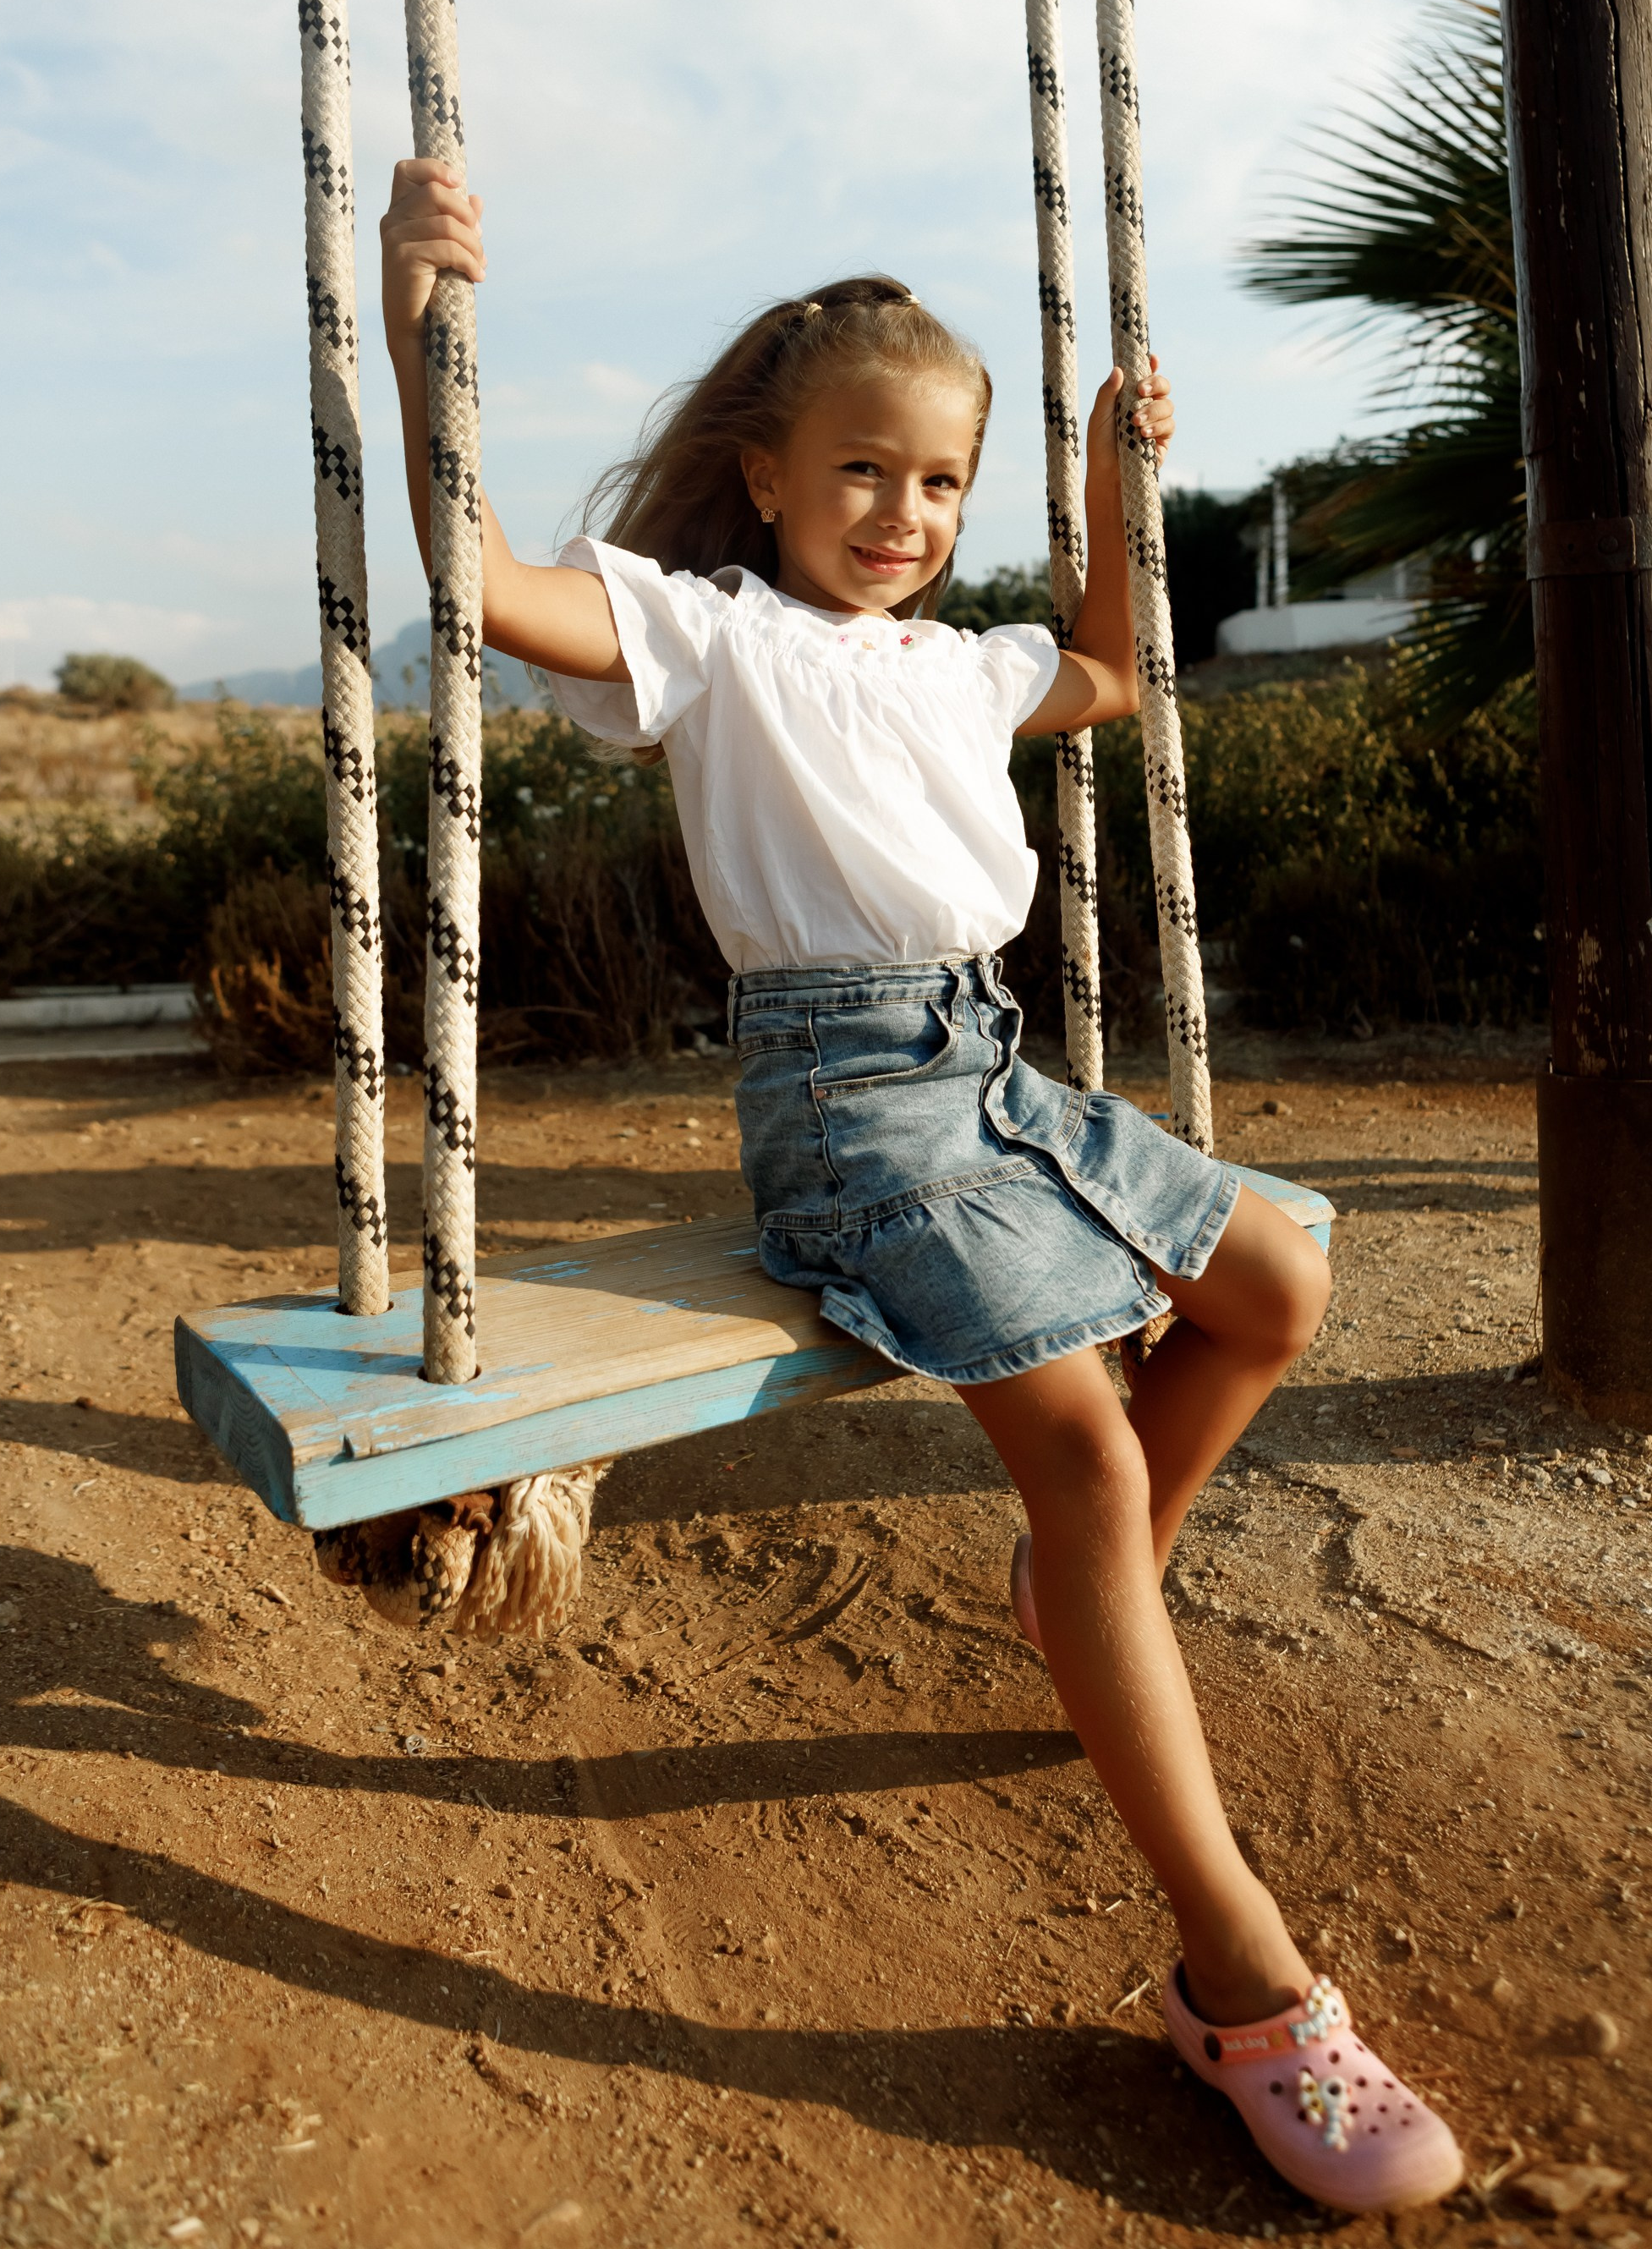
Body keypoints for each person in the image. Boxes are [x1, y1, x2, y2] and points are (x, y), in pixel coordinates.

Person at [380, 158, 1465, 2216]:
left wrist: (1094, 483)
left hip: (990, 1057)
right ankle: (1241, 1984)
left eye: (938, 482)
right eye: (862, 470)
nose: (900, 512)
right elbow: (485, 587)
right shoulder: (702, 635)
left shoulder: (961, 663)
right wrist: (422, 333)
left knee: (1267, 1290)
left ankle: (1084, 1606)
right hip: (843, 1098)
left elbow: (1114, 675)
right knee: (1073, 1437)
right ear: (769, 476)